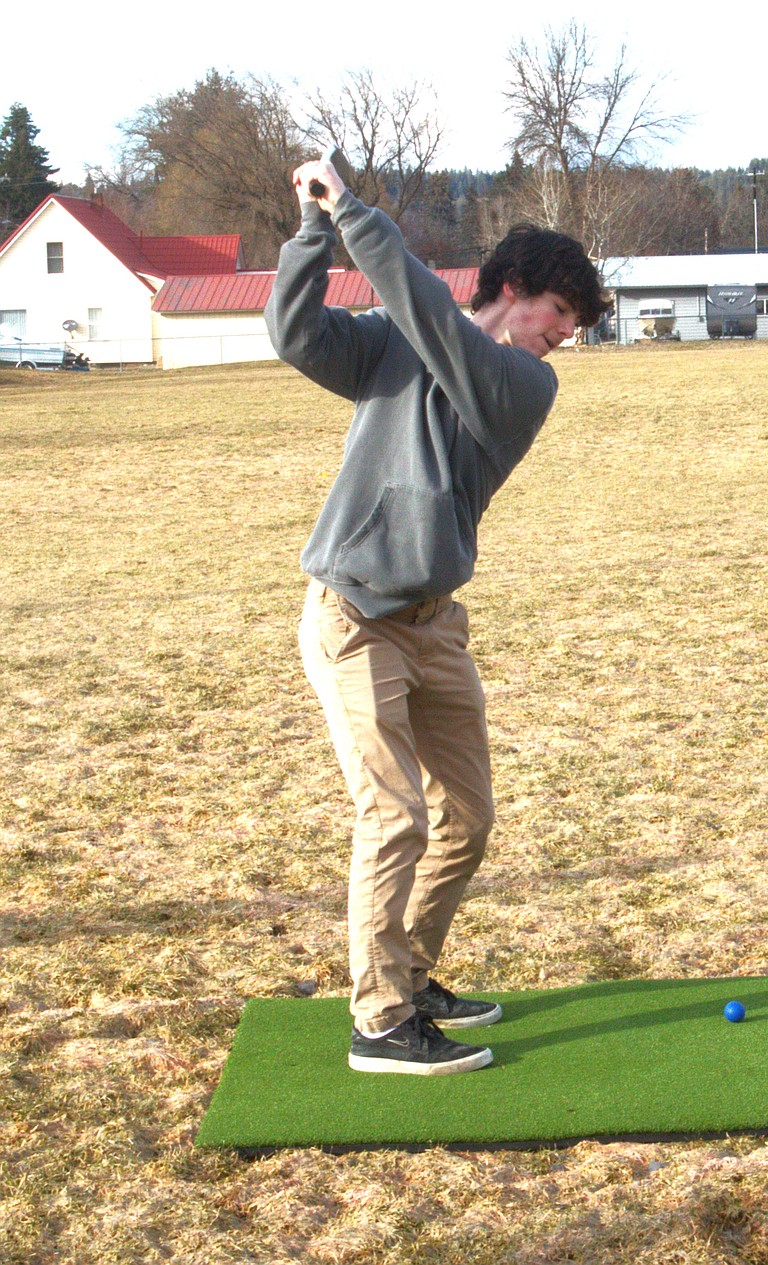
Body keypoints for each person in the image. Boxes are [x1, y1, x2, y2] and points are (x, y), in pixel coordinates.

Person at [265, 155, 604, 1075]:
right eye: (562, 314)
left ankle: (408, 974)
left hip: (433, 621)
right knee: (395, 816)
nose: (567, 336)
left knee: (469, 815)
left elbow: (436, 325)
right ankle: (379, 1021)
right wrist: (311, 231)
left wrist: (358, 217)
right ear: (516, 288)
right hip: (352, 617)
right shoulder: (398, 338)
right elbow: (294, 335)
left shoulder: (522, 385)